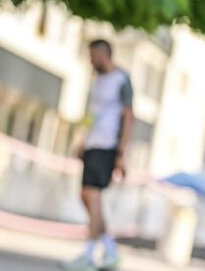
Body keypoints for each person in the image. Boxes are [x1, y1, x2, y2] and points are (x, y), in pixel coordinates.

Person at [61, 39, 134, 271]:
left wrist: (121, 154)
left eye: (93, 55)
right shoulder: (97, 81)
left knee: (92, 196)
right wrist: (83, 140)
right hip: (93, 144)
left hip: (108, 145)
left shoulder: (122, 80)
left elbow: (129, 117)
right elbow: (93, 115)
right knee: (87, 197)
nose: (91, 60)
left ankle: (90, 256)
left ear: (105, 54)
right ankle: (110, 250)